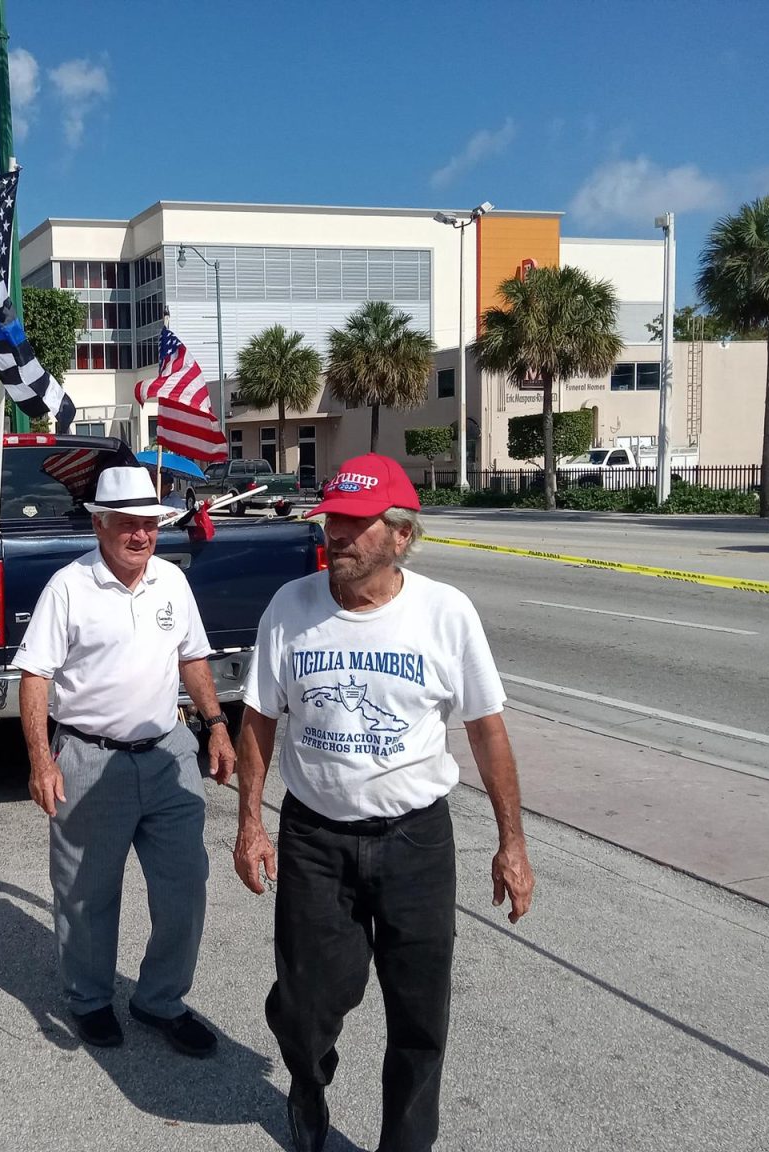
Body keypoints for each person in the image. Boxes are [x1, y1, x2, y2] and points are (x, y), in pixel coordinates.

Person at [232, 454, 534, 1152]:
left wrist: (511, 843)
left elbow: (487, 731)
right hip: (315, 838)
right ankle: (307, 1089)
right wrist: (250, 824)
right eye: (332, 519)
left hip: (417, 842)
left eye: (355, 523)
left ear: (400, 535)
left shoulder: (445, 613)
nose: (337, 534)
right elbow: (258, 720)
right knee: (307, 1006)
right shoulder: (290, 608)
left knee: (420, 1016)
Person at [12, 466, 236, 1057]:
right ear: (101, 524)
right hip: (88, 758)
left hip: (167, 756)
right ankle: (88, 999)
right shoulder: (68, 586)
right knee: (86, 891)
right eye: (129, 525)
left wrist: (216, 726)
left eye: (150, 525)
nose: (141, 536)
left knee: (186, 886)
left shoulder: (171, 582)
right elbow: (34, 676)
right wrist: (41, 760)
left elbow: (192, 658)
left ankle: (160, 999)